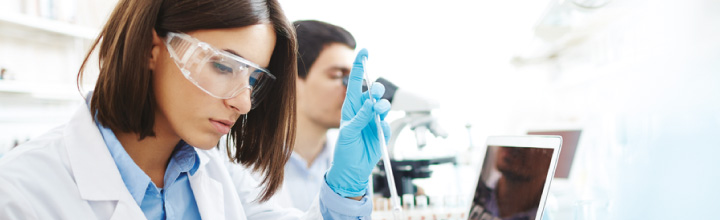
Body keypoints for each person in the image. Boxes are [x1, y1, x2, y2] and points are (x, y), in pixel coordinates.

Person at [0, 0, 391, 219]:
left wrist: (344, 189)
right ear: (152, 49)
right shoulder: (20, 192)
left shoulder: (221, 175)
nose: (243, 102)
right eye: (224, 66)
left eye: (254, 80)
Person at [260, 20, 359, 211]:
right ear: (291, 79)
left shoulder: (355, 165)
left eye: (355, 78)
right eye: (339, 76)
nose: (352, 91)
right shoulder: (238, 163)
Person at [470, 147, 554, 220]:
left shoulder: (544, 214)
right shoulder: (474, 194)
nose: (509, 147)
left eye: (532, 148)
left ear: (550, 162)